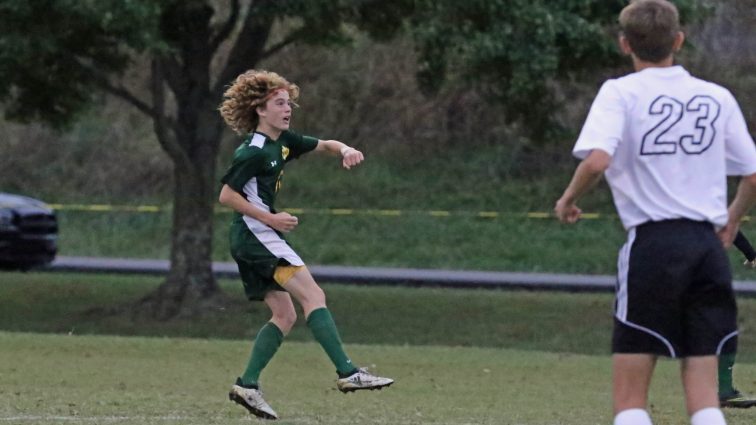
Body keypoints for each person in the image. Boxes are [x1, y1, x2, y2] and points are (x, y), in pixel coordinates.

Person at [553, 1, 756, 424]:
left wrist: (569, 199)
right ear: (678, 41)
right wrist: (733, 219)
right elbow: (752, 175)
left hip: (654, 246)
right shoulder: (716, 96)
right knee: (704, 397)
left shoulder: (620, 93)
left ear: (625, 43)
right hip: (707, 248)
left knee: (630, 398)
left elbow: (596, 161)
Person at [218, 69, 393, 420]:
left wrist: (346, 149)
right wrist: (271, 219)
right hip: (257, 235)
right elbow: (226, 196)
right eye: (279, 104)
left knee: (285, 314)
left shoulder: (282, 142)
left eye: (289, 104)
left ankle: (247, 385)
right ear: (260, 110)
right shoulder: (252, 152)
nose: (287, 109)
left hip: (252, 237)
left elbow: (325, 144)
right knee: (314, 296)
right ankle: (347, 373)